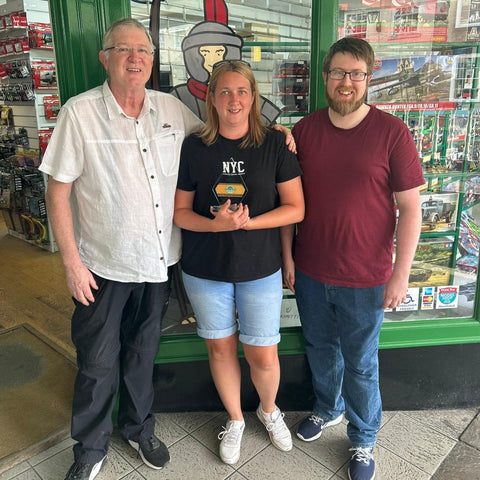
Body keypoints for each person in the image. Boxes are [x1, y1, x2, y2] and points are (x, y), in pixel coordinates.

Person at [39, 19, 206, 480]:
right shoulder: (80, 112)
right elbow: (58, 192)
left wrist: (277, 138)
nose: (136, 57)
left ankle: (137, 428)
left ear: (153, 61)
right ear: (104, 57)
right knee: (95, 363)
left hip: (157, 263)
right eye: (123, 49)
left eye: (144, 51)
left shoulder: (171, 109)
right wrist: (70, 263)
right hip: (102, 267)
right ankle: (90, 451)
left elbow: (215, 141)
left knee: (141, 354)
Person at [281, 37, 424, 480]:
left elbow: (412, 207)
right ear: (325, 77)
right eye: (339, 72)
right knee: (321, 350)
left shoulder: (391, 132)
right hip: (310, 271)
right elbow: (288, 198)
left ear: (368, 78)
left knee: (361, 362)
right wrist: (288, 258)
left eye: (356, 74)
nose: (347, 82)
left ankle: (363, 438)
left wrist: (401, 275)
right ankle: (329, 407)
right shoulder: (304, 131)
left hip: (366, 276)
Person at [173, 60, 304, 465]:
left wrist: (248, 224)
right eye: (224, 91)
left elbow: (296, 208)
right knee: (220, 349)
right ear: (211, 98)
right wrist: (215, 226)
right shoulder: (194, 146)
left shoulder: (275, 144)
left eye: (242, 91)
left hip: (260, 267)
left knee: (263, 352)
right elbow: (179, 212)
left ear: (254, 97)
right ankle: (235, 419)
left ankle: (268, 411)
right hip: (204, 267)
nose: (234, 100)